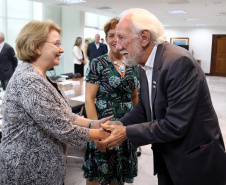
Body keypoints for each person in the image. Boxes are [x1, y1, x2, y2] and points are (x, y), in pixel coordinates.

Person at [101, 8, 226, 185]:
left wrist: (126, 132)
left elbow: (175, 125)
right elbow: (146, 107)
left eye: (121, 37)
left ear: (144, 37)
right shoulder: (142, 64)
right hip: (166, 156)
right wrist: (121, 123)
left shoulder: (178, 63)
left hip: (194, 160)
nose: (117, 45)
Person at [0, 20, 113, 185]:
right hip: (26, 172)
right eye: (57, 44)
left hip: (42, 171)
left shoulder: (38, 76)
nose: (62, 49)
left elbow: (63, 115)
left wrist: (93, 124)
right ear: (36, 46)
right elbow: (64, 129)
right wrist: (103, 134)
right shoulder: (29, 80)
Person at [83, 17, 139, 185]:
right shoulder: (97, 64)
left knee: (119, 177)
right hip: (103, 130)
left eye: (120, 35)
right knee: (98, 176)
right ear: (106, 39)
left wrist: (136, 129)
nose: (116, 40)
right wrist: (97, 133)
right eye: (111, 35)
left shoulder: (133, 64)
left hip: (125, 130)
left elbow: (135, 98)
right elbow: (89, 99)